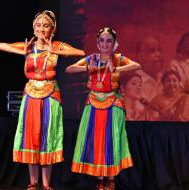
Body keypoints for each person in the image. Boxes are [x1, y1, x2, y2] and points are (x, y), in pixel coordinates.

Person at [0, 10, 85, 190]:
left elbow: (80, 52)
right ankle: (32, 183)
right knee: (31, 137)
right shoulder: (28, 46)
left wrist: (56, 50)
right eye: (38, 25)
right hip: (31, 95)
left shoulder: (57, 45)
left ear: (53, 29)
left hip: (50, 95)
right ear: (33, 28)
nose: (41, 29)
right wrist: (20, 50)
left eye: (45, 26)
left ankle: (46, 184)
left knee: (47, 136)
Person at [66, 27, 140, 190]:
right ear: (97, 43)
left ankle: (111, 179)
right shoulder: (92, 59)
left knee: (111, 140)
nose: (105, 44)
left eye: (109, 41)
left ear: (114, 44)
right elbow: (69, 69)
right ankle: (100, 180)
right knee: (97, 141)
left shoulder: (118, 59)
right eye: (102, 41)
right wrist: (87, 68)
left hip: (113, 103)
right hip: (93, 104)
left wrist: (117, 69)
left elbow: (136, 65)